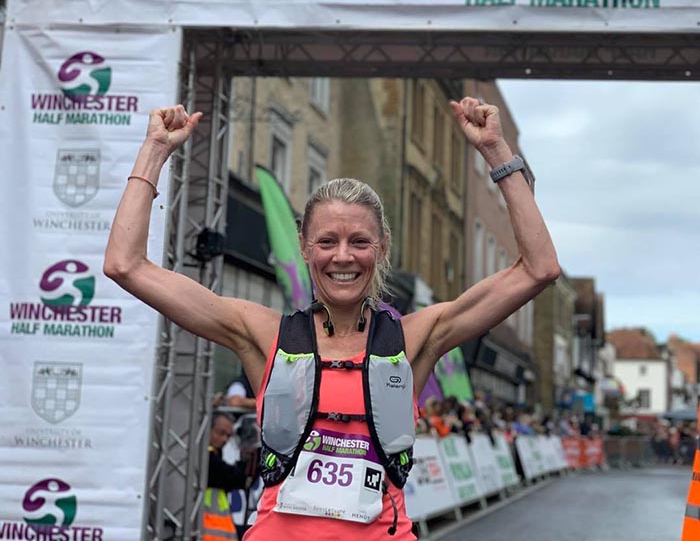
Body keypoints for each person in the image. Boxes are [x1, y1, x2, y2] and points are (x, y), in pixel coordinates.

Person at [104, 97, 560, 540]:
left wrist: (496, 152)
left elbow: (537, 270)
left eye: (359, 242)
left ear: (382, 248)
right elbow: (126, 265)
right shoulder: (263, 334)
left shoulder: (415, 337)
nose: (343, 256)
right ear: (304, 247)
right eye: (327, 242)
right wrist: (154, 151)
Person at [202, 411, 248, 541]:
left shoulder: (214, 455)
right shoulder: (206, 458)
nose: (224, 440)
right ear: (207, 429)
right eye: (220, 433)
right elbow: (234, 478)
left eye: (228, 436)